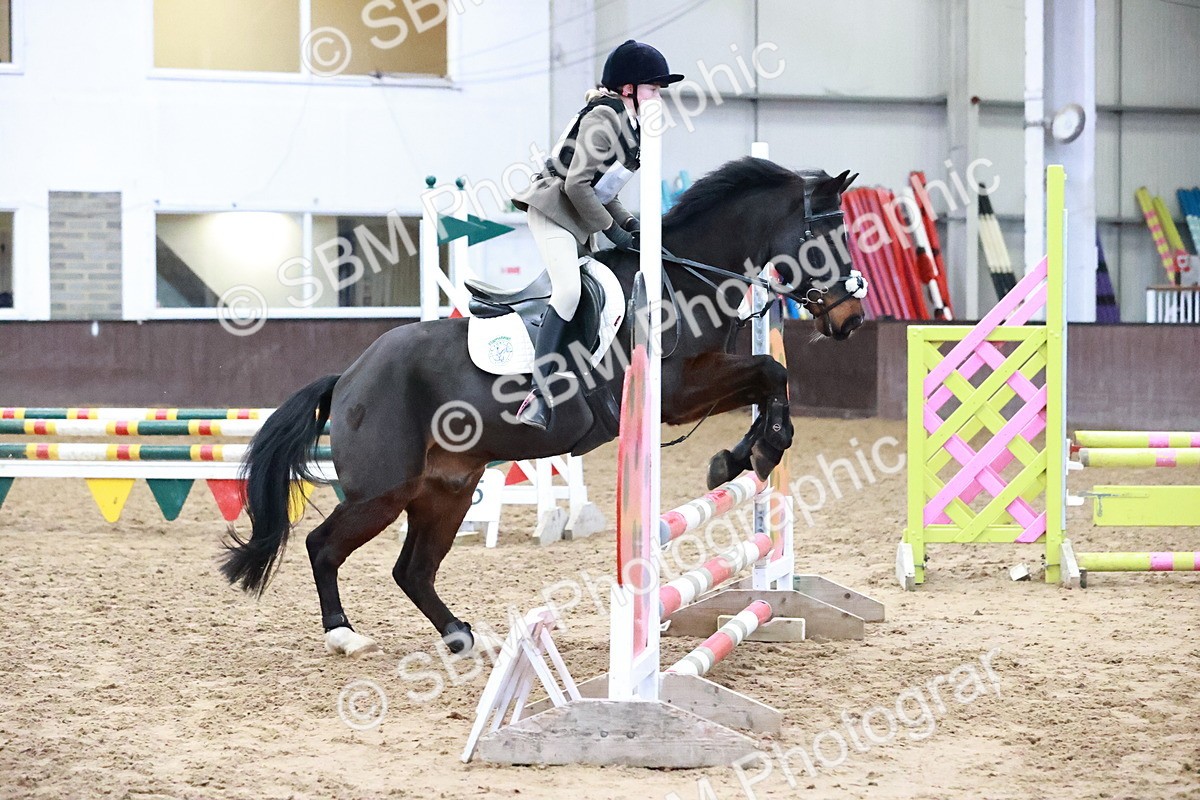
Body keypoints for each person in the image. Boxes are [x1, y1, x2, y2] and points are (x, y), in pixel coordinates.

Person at [511, 39, 684, 430]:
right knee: (569, 290)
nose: (658, 98)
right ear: (628, 90)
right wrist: (613, 233)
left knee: (601, 290)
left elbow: (605, 192)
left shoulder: (628, 127)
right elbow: (576, 186)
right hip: (553, 209)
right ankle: (537, 394)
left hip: (575, 216)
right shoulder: (603, 120)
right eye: (653, 90)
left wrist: (631, 225)